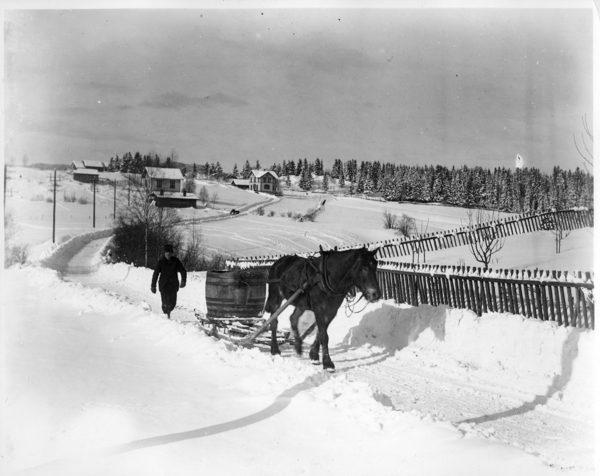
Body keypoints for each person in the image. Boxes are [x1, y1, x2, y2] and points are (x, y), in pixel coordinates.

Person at [151, 244, 187, 319]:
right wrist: (153, 286)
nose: (168, 254)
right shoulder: (160, 261)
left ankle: (168, 312)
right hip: (164, 285)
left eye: (170, 252)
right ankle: (166, 316)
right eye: (167, 252)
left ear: (172, 253)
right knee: (165, 302)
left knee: (173, 303)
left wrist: (183, 280)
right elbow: (156, 274)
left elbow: (182, 270)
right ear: (164, 253)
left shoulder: (176, 261)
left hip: (173, 286)